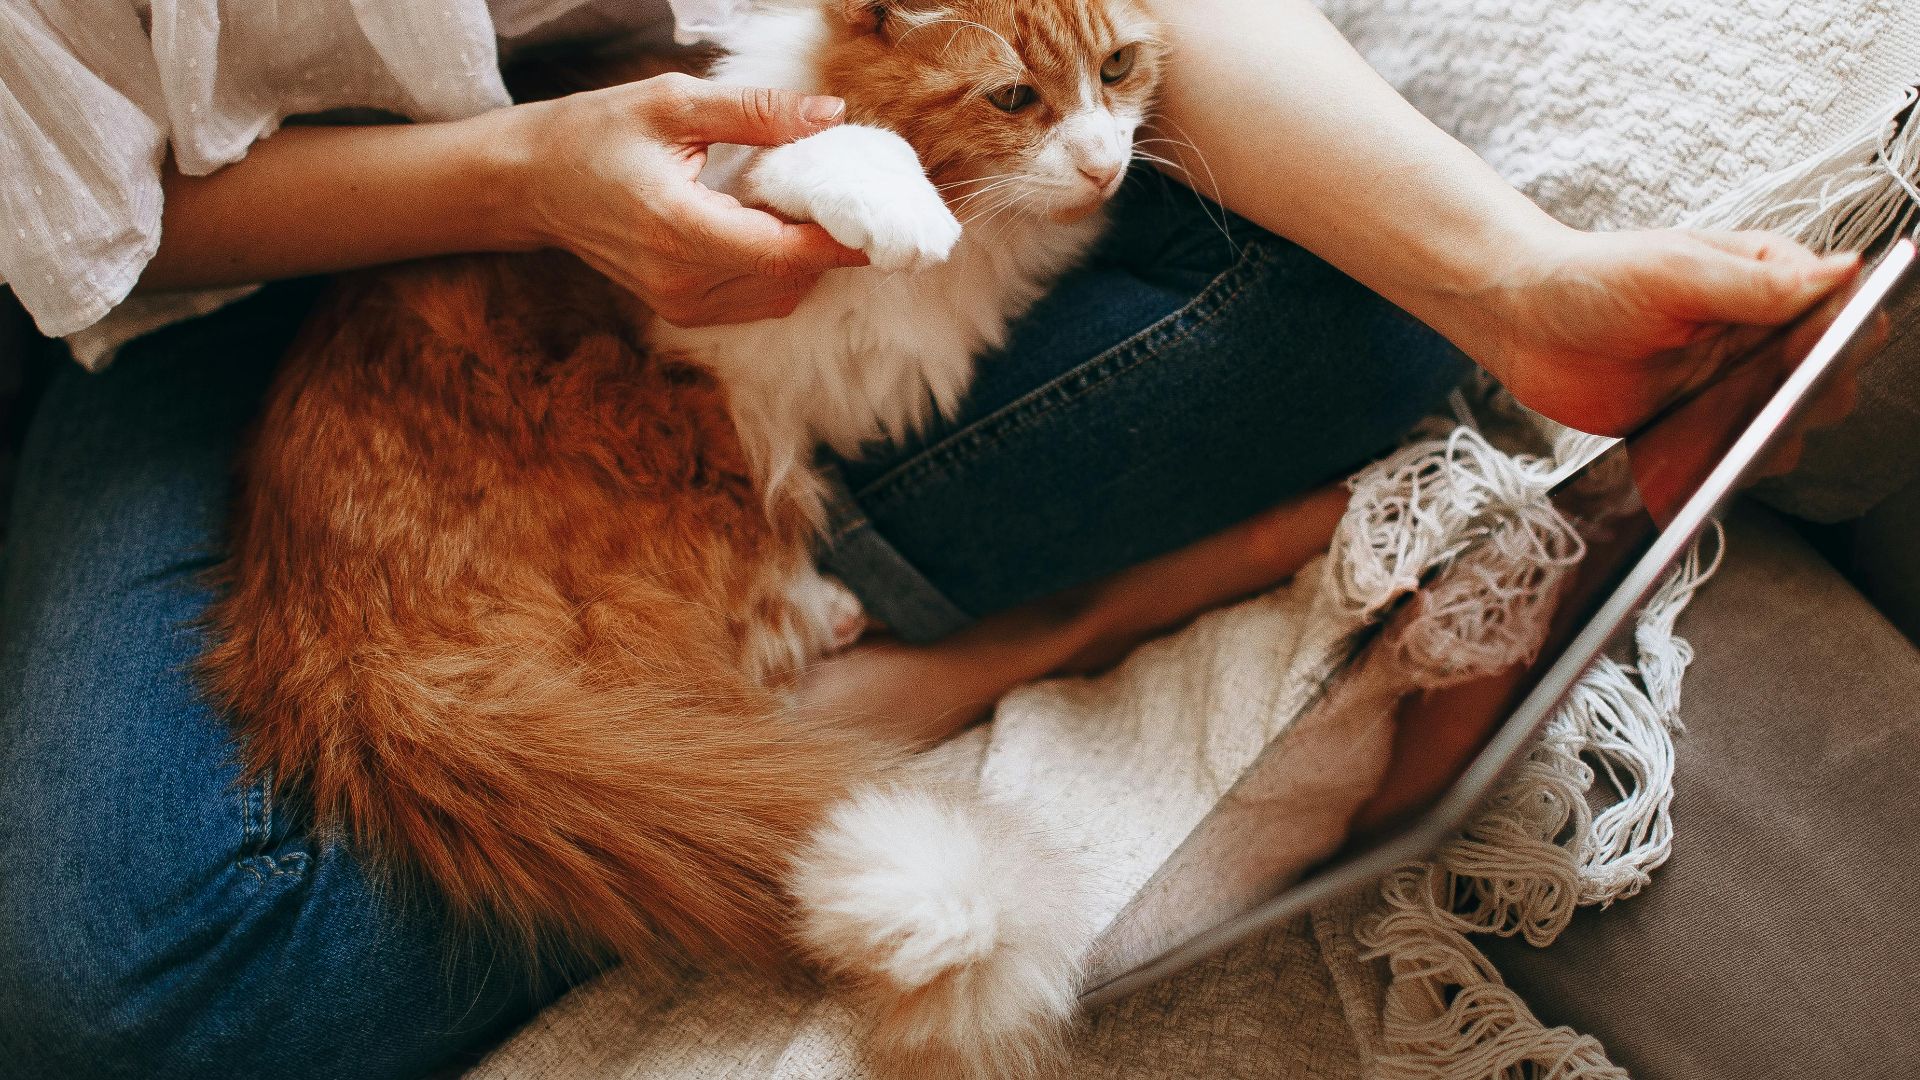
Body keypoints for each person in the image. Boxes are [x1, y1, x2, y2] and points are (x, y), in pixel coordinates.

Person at [0, 1, 1860, 1076]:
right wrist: (524, 178)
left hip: (806, 201)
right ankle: (984, 652)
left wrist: (1515, 279)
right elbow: (100, 215)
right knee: (126, 996)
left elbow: (1113, 48)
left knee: (1372, 307)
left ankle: (844, 666)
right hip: (253, 275)